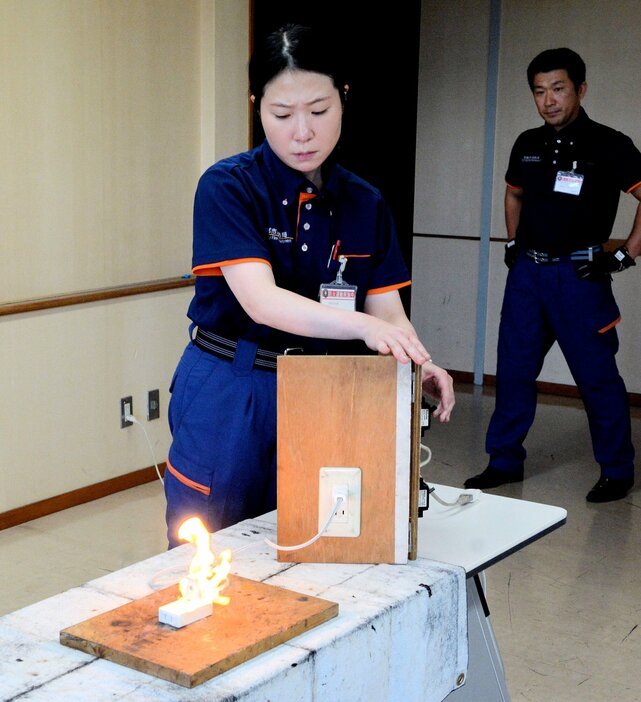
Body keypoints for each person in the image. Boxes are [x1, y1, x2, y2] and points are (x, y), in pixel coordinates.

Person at [164, 24, 455, 548]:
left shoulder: (365, 202)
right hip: (234, 387)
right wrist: (366, 326)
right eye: (282, 114)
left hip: (327, 388)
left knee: (318, 544)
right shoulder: (228, 187)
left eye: (319, 112)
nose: (302, 132)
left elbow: (385, 307)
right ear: (257, 107)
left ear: (344, 100)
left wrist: (418, 356)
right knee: (211, 549)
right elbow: (261, 300)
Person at [465, 48, 641, 502]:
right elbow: (514, 195)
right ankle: (503, 461)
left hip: (579, 277)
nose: (549, 101)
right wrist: (511, 243)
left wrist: (623, 256)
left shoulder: (610, 144)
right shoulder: (526, 143)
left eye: (558, 89)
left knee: (597, 377)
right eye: (540, 92)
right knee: (515, 370)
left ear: (580, 89)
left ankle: (618, 470)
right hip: (527, 277)